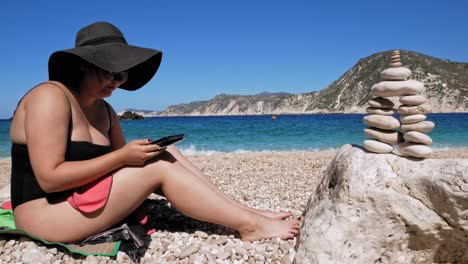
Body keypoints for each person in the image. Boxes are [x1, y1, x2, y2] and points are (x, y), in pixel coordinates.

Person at [9, 21, 300, 243]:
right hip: (43, 214)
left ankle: (247, 213)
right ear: (84, 66)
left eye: (122, 74)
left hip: (82, 201)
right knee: (156, 166)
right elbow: (49, 179)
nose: (117, 81)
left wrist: (131, 156)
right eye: (110, 71)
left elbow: (123, 166)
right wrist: (123, 157)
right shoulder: (49, 97)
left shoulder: (106, 112)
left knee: (164, 151)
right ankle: (249, 226)